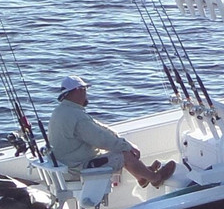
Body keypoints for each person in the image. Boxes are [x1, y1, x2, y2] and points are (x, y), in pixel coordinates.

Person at [48, 75, 176, 188]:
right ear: (78, 90)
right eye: (85, 90)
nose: (86, 94)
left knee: (120, 148)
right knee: (124, 154)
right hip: (78, 168)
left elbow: (98, 128)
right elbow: (100, 139)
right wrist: (127, 146)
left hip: (68, 165)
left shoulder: (62, 111)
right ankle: (155, 178)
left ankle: (142, 177)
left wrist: (121, 141)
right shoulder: (77, 117)